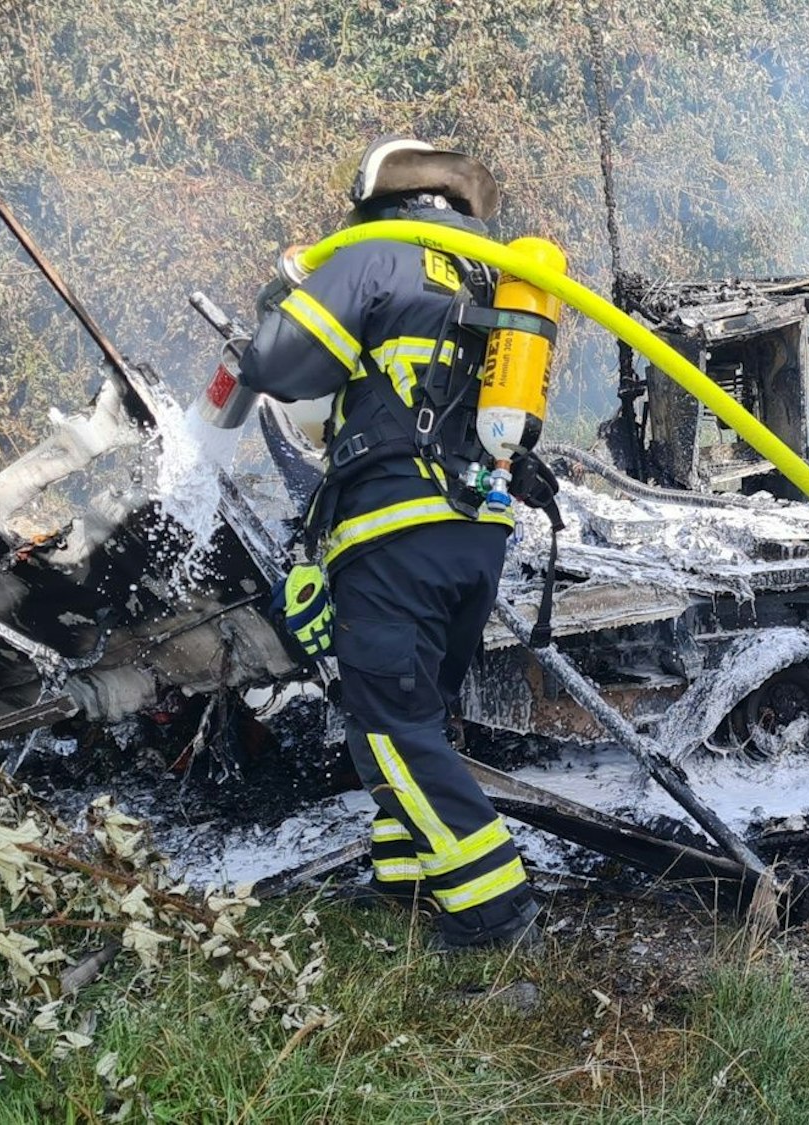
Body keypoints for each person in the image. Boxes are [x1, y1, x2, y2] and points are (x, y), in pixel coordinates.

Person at [237, 138, 539, 949]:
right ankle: (404, 884)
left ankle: (496, 914)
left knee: (388, 729)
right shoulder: (485, 277)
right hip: (473, 539)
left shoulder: (372, 257)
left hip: (393, 535)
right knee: (417, 714)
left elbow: (279, 364)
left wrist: (286, 293)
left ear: (374, 197)